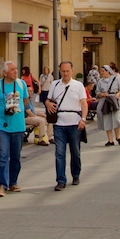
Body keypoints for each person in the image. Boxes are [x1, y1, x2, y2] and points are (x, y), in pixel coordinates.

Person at [0, 61, 29, 197]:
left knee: (16, 156)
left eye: (16, 69)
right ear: (5, 73)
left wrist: (18, 109)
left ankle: (13, 182)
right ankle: (1, 185)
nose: (16, 71)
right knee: (3, 156)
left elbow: (26, 101)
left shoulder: (21, 84)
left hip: (18, 125)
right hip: (1, 126)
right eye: (12, 70)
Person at [45, 61, 88, 191]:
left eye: (67, 71)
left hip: (74, 123)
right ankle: (61, 180)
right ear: (60, 71)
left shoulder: (78, 85)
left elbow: (84, 103)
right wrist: (47, 104)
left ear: (72, 71)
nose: (65, 73)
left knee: (75, 152)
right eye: (63, 71)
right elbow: (48, 99)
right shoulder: (55, 84)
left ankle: (75, 174)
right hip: (59, 123)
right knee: (59, 153)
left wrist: (83, 119)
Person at [95, 65, 120, 146]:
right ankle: (110, 140)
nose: (102, 73)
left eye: (103, 71)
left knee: (116, 118)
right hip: (105, 101)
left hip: (115, 100)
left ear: (108, 71)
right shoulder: (100, 81)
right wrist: (102, 94)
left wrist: (118, 94)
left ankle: (118, 136)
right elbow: (97, 92)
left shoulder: (116, 79)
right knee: (106, 119)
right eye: (101, 71)